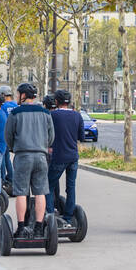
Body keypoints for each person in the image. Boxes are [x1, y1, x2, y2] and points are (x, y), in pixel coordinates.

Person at [3, 82, 55, 240]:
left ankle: (21, 228)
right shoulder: (45, 113)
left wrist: (13, 148)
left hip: (23, 156)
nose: (17, 97)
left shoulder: (16, 113)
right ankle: (39, 227)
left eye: (18, 94)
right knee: (40, 193)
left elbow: (8, 136)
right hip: (40, 156)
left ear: (23, 95)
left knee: (21, 193)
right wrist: (43, 146)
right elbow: (51, 137)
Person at [48, 90, 85, 225]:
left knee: (49, 185)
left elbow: (48, 135)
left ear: (56, 102)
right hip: (73, 156)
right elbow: (82, 137)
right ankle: (68, 218)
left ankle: (50, 214)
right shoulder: (77, 116)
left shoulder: (52, 115)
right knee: (71, 187)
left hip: (58, 156)